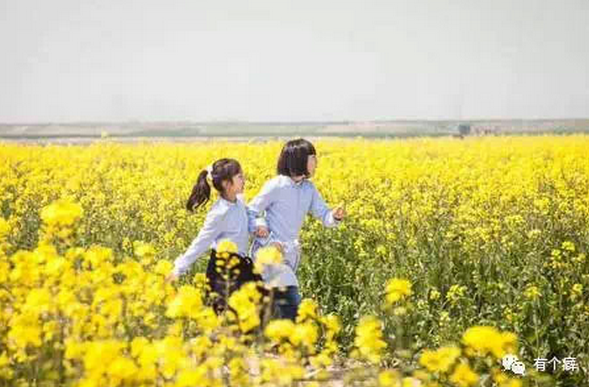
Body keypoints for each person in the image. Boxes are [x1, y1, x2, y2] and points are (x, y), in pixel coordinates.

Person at [247, 139, 346, 321]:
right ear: (300, 160)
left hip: (290, 254)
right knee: (292, 301)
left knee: (271, 306)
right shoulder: (276, 185)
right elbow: (251, 211)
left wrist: (335, 216)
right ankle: (295, 341)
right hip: (268, 254)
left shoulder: (308, 188)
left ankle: (262, 341)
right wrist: (264, 232)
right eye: (313, 158)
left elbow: (323, 214)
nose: (317, 163)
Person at [166, 158, 261, 315]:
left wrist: (257, 226)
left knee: (254, 316)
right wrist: (178, 269)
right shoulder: (219, 213)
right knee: (225, 323)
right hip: (223, 272)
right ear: (226, 184)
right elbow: (201, 242)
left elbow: (248, 217)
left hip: (243, 268)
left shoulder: (239, 201)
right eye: (240, 177)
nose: (244, 179)